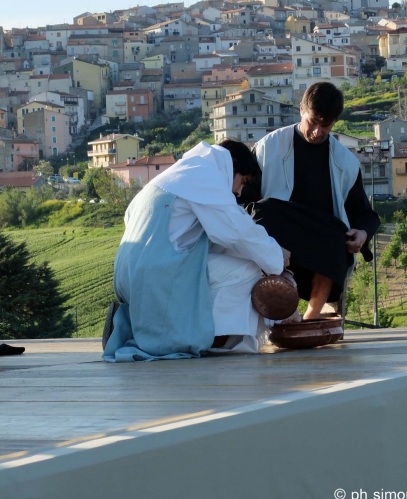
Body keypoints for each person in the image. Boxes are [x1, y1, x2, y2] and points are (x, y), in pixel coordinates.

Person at [103, 140, 288, 362]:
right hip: (155, 274)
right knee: (246, 270)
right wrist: (276, 256)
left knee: (234, 260)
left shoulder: (176, 175)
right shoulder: (204, 176)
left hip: (129, 274)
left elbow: (217, 239)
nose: (239, 191)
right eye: (243, 181)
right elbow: (235, 231)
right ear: (232, 167)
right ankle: (219, 342)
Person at [252, 82, 380, 320]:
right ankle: (278, 313)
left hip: (321, 240)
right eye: (312, 122)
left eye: (326, 125)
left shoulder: (346, 162)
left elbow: (364, 213)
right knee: (264, 210)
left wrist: (362, 234)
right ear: (301, 109)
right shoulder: (268, 148)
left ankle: (310, 319)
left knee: (336, 233)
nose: (317, 132)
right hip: (277, 236)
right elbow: (246, 199)